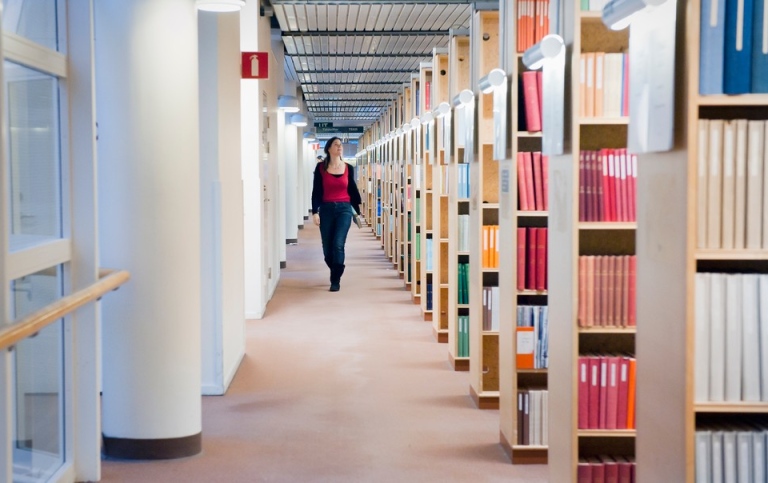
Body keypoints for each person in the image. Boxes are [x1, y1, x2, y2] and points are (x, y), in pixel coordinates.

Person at [311, 137, 362, 292]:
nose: (340, 147)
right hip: (326, 209)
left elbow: (352, 188)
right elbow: (317, 191)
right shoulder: (320, 168)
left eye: (341, 145)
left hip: (344, 209)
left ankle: (335, 279)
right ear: (328, 149)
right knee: (327, 249)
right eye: (336, 144)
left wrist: (357, 209)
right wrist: (315, 212)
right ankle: (336, 268)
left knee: (338, 244)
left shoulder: (348, 168)